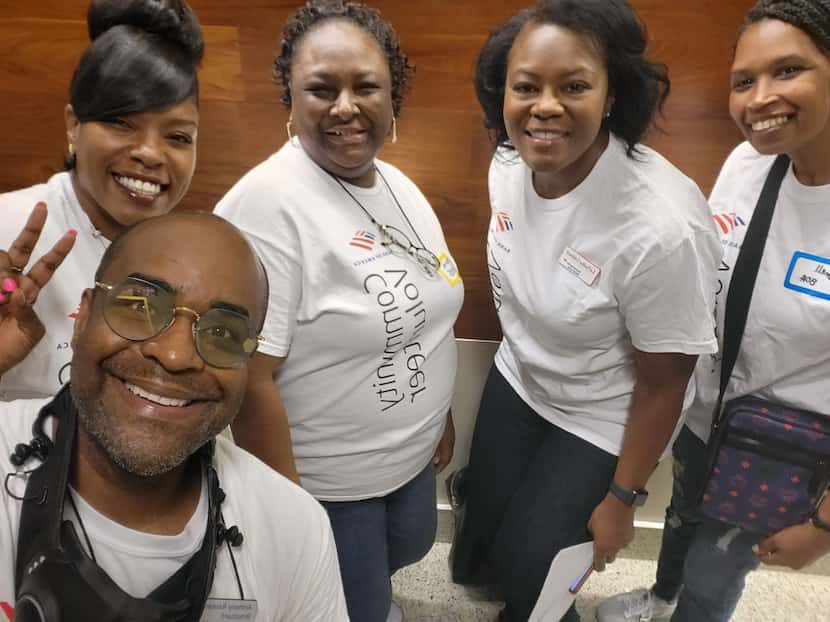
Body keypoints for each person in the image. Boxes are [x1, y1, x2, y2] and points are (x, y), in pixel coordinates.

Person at [447, 1, 721, 620]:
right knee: (479, 548)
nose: (545, 107)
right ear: (503, 94)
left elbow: (665, 381)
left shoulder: (660, 226)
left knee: (535, 574)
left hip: (602, 410)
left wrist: (622, 499)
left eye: (573, 86)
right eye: (526, 87)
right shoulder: (508, 162)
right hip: (522, 377)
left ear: (612, 96)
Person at [214, 1, 464, 620]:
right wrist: (288, 509)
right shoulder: (268, 207)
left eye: (365, 87)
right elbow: (251, 378)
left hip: (410, 451)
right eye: (322, 89)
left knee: (410, 544)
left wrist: (441, 408)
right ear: (291, 102)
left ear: (393, 96)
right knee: (353, 605)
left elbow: (428, 305)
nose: (346, 106)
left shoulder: (397, 184)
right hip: (330, 481)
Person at [597, 1, 830, 621]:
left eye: (788, 71)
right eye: (744, 80)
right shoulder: (747, 164)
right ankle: (660, 597)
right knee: (681, 521)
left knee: (714, 571)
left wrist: (826, 525)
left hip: (772, 443)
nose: (760, 98)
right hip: (703, 414)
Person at [0, 212, 349, 620]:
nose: (175, 355)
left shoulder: (295, 529)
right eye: (139, 304)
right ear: (83, 317)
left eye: (222, 332)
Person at [0, 0, 203, 400]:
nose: (150, 153)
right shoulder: (7, 228)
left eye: (178, 137)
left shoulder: (196, 262)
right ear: (74, 125)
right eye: (122, 123)